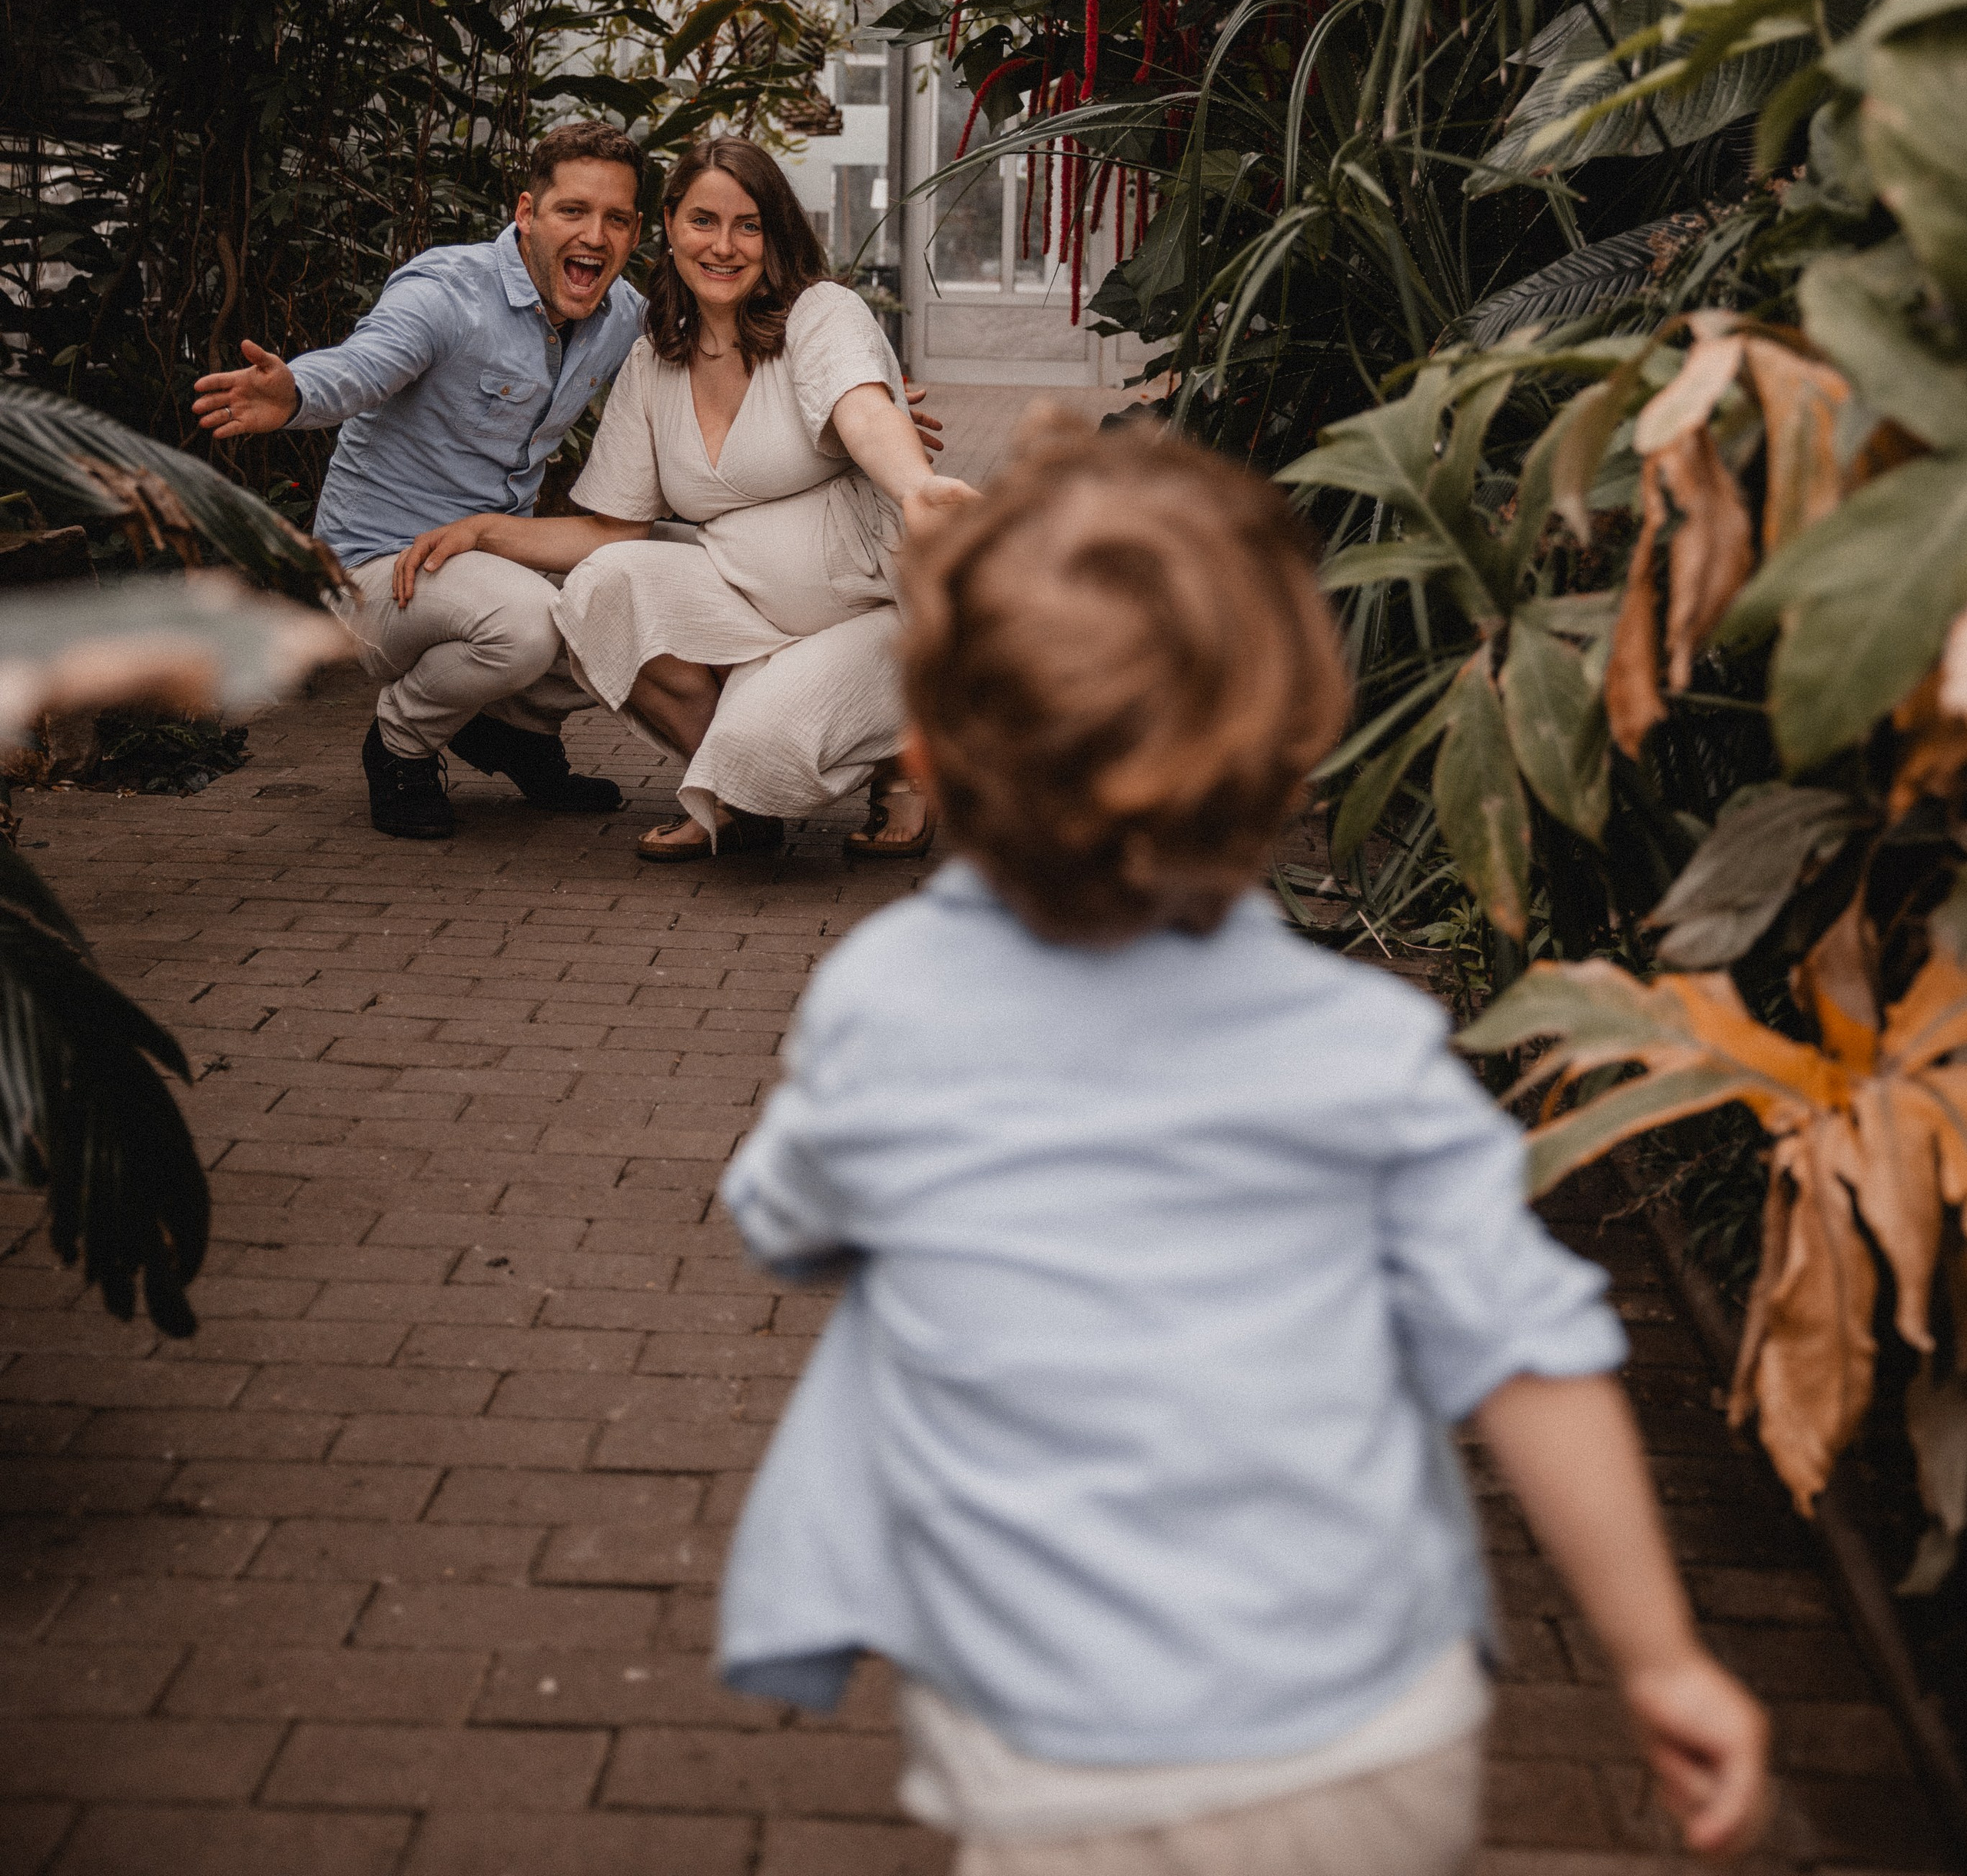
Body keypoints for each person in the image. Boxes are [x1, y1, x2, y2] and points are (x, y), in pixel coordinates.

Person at [712, 420, 1771, 1875]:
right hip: (1367, 1740)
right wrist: (1659, 1658)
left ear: (927, 752)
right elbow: (1528, 1353)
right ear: (1290, 753)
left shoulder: (884, 1009)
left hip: (1051, 1754)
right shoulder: (1368, 1051)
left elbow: (790, 1218)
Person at [194, 118, 946, 845]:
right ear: (527, 213)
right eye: (572, 211)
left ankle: (517, 736)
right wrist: (294, 393)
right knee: (533, 622)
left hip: (489, 563)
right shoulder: (446, 294)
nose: (594, 235)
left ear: (636, 230)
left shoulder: (627, 320)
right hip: (380, 571)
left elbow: (738, 368)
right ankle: (400, 746)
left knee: (623, 599)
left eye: (616, 219)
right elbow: (363, 366)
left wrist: (862, 402)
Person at [392, 137, 977, 864]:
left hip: (872, 616)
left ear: (776, 234)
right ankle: (725, 792)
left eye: (749, 225)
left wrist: (914, 485)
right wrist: (483, 532)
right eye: (704, 221)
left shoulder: (820, 313)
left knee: (768, 754)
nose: (724, 246)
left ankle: (896, 767)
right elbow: (614, 527)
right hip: (746, 606)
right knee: (602, 588)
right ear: (667, 225)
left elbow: (862, 408)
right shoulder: (656, 354)